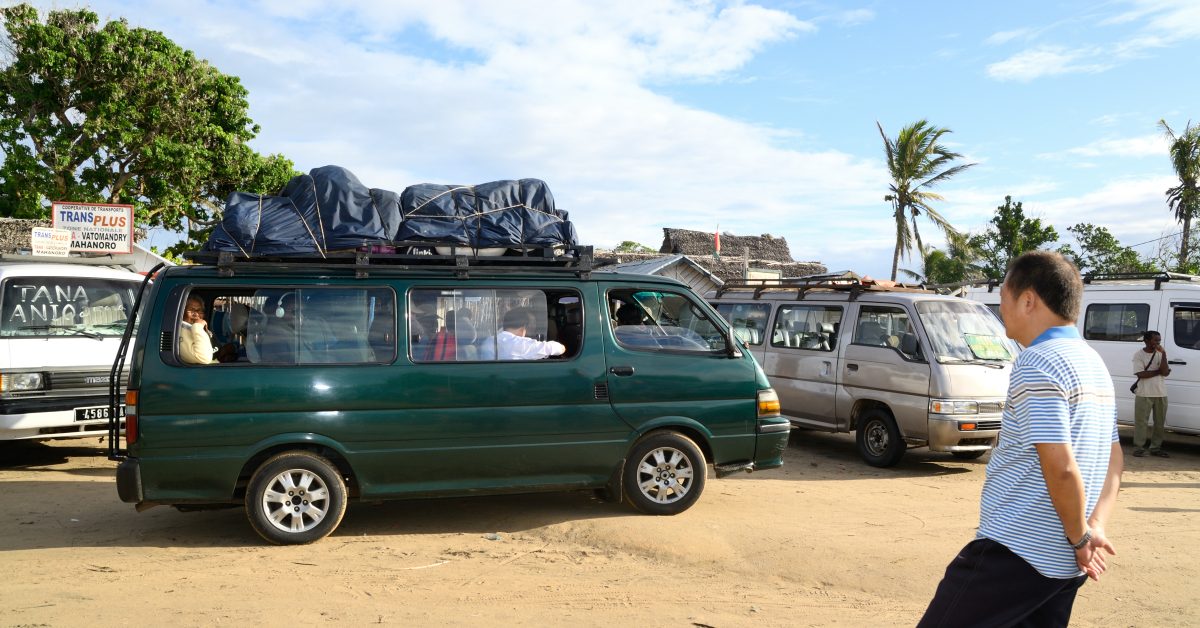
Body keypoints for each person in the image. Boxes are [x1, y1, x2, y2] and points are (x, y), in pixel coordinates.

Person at [918, 251, 1123, 627]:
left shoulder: (1039, 361)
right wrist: (1095, 527)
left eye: (1003, 297)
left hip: (1016, 550)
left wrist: (1081, 537)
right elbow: (1114, 461)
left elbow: (1060, 466)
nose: (1001, 309)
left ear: (1028, 300)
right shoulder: (1094, 363)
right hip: (1062, 567)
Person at [1131, 330, 1170, 458]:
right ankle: (1139, 447)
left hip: (1161, 393)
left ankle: (1155, 448)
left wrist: (1163, 354)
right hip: (1144, 393)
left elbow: (1165, 372)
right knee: (1141, 422)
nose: (1157, 343)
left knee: (1159, 423)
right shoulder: (1139, 355)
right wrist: (1159, 371)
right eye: (1155, 340)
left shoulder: (1160, 354)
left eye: (1159, 341)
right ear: (1147, 341)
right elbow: (1141, 374)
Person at [179, 296, 236, 364]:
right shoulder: (181, 333)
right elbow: (203, 358)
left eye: (200, 311)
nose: (197, 315)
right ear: (182, 313)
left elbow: (215, 350)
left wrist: (224, 351)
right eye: (192, 310)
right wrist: (198, 327)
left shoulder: (196, 329)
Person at [497, 307, 565, 360]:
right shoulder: (521, 344)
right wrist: (562, 347)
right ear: (523, 327)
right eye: (533, 323)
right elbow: (558, 348)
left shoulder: (491, 339)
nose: (535, 326)